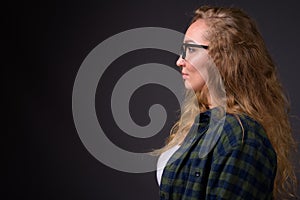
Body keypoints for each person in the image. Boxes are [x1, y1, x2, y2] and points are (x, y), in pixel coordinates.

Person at [155, 5, 297, 200]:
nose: (180, 60)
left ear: (222, 57)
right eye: (182, 50)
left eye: (190, 49)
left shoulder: (241, 137)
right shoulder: (202, 125)